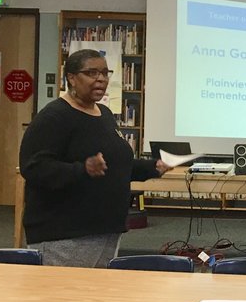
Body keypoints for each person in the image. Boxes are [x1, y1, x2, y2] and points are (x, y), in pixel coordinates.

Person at [20, 49, 168, 267]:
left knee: (93, 297)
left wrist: (151, 167)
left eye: (105, 73)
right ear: (71, 77)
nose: (101, 79)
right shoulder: (54, 117)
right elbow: (33, 167)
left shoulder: (104, 114)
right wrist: (82, 169)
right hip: (66, 235)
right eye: (91, 73)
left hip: (105, 230)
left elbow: (115, 163)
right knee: (67, 298)